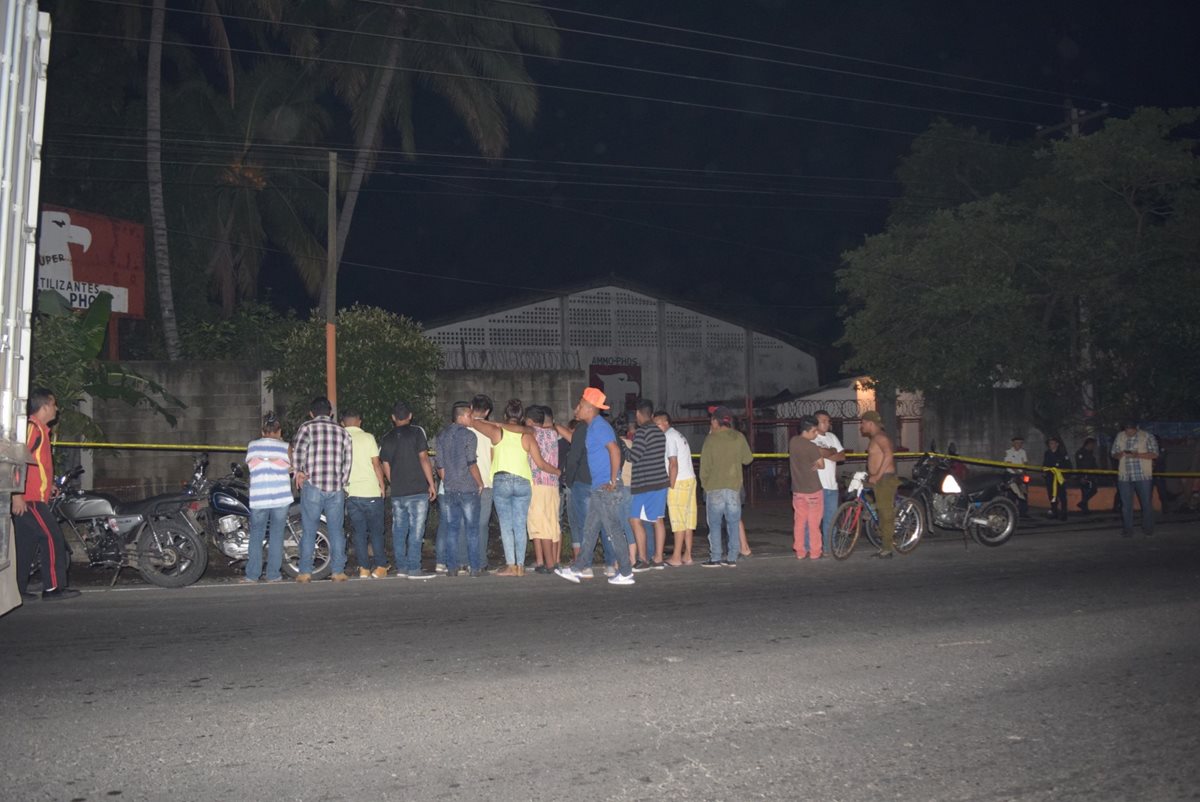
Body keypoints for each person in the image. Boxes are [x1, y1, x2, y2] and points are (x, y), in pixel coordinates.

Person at [555, 388, 635, 586]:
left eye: (580, 405)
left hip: (605, 488)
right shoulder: (592, 427)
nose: (577, 409)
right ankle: (577, 568)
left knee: (613, 530)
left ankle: (626, 572)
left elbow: (615, 450)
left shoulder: (599, 426)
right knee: (590, 531)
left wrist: (613, 480)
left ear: (590, 408)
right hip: (598, 488)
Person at [471, 399, 559, 576]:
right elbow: (540, 463)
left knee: (506, 525)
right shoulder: (527, 436)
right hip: (523, 482)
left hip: (502, 480)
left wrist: (494, 423)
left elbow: (475, 422)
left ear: (505, 415)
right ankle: (520, 566)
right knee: (520, 525)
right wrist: (557, 471)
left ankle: (511, 565)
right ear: (522, 417)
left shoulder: (497, 432)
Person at [11, 388, 79, 601]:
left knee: (25, 545)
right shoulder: (32, 429)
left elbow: (36, 465)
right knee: (52, 537)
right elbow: (17, 461)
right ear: (45, 406)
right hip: (29, 499)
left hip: (32, 496)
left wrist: (49, 487)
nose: (56, 409)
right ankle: (53, 588)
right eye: (54, 404)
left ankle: (17, 590)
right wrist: (17, 494)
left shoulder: (39, 430)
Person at [291, 396, 353, 582]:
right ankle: (338, 571)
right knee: (336, 530)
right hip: (336, 488)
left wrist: (298, 472)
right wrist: (341, 482)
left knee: (309, 530)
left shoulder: (307, 428)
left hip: (313, 485)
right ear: (331, 413)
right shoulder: (342, 432)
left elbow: (298, 452)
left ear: (311, 413)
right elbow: (348, 461)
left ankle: (305, 572)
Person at [378, 400, 438, 579]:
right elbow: (424, 458)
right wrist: (431, 483)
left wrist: (394, 481)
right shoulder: (417, 432)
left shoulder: (386, 437)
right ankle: (414, 568)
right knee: (416, 530)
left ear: (393, 417)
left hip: (398, 492)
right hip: (417, 489)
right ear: (410, 416)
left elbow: (385, 464)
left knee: (399, 530)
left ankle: (402, 568)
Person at [432, 401, 484, 576]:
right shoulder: (470, 436)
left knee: (452, 529)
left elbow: (439, 465)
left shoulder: (441, 436)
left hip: (450, 488)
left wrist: (448, 481)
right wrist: (480, 483)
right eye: (469, 415)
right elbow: (471, 463)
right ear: (461, 416)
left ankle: (452, 568)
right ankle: (474, 567)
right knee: (472, 530)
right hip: (468, 487)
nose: (472, 419)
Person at [698, 405, 753, 567]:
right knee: (733, 523)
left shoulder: (710, 439)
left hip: (714, 488)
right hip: (733, 488)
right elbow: (748, 459)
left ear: (716, 421)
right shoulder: (738, 437)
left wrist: (705, 486)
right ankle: (732, 558)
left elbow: (704, 467)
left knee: (714, 525)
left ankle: (715, 557)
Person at [244, 412, 292, 583]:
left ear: (262, 431)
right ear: (279, 431)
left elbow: (251, 466)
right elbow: (291, 467)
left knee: (256, 535)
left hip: (259, 498)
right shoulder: (286, 447)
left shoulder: (252, 446)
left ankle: (252, 575)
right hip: (281, 498)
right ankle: (273, 574)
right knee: (277, 535)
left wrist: (266, 459)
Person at [341, 408, 388, 578]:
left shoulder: (339, 438)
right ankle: (380, 566)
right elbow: (376, 464)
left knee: (359, 533)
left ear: (342, 423)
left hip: (351, 492)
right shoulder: (368, 437)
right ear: (359, 421)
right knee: (376, 532)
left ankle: (364, 568)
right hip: (371, 491)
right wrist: (382, 485)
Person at [628, 399, 669, 571]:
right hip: (660, 481)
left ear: (638, 414)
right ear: (651, 415)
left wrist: (623, 447)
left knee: (634, 519)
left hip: (644, 484)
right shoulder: (659, 432)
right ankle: (658, 558)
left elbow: (633, 457)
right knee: (658, 520)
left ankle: (643, 559)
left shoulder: (642, 432)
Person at [654, 410, 697, 566]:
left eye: (657, 424)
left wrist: (671, 486)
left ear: (666, 423)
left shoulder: (668, 437)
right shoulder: (678, 435)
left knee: (678, 521)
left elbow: (673, 463)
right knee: (688, 520)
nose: (655, 428)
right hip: (690, 479)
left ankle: (676, 557)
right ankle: (687, 555)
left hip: (679, 481)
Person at [525, 405, 562, 574]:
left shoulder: (531, 434)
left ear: (530, 421)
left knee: (541, 525)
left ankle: (549, 564)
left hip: (538, 484)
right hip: (552, 485)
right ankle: (551, 560)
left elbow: (540, 463)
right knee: (552, 523)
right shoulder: (553, 434)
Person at [1111, 420, 1159, 537]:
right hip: (1125, 476)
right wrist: (1120, 454)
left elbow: (1155, 454)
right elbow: (1113, 454)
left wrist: (1137, 455)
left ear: (1136, 428)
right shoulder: (1120, 436)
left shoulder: (1147, 436)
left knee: (1146, 503)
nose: (1128, 432)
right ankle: (1128, 530)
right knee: (1126, 505)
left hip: (1143, 476)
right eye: (1126, 430)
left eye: (1131, 430)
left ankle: (1148, 528)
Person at [860, 410, 898, 559]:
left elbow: (888, 455)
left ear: (871, 423)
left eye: (863, 423)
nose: (861, 426)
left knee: (885, 514)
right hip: (878, 479)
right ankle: (870, 509)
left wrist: (877, 475)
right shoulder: (876, 438)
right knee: (862, 492)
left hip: (884, 479)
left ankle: (887, 549)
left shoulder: (880, 437)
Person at [465, 394, 496, 572]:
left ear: (471, 407)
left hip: (467, 482)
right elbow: (493, 457)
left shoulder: (464, 428)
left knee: (466, 522)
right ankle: (480, 561)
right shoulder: (491, 430)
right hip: (486, 482)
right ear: (487, 411)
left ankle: (463, 560)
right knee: (482, 524)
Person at [789, 415, 825, 559]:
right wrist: (817, 464)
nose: (816, 434)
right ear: (808, 430)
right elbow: (821, 464)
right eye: (814, 431)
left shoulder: (793, 441)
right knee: (813, 524)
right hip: (813, 490)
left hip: (798, 490)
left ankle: (800, 551)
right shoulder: (811, 446)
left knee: (799, 522)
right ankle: (815, 552)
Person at [812, 410, 846, 557]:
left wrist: (825, 453)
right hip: (816, 486)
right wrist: (831, 452)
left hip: (832, 486)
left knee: (831, 519)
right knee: (814, 520)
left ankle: (829, 547)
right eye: (823, 421)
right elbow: (816, 452)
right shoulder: (811, 437)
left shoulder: (832, 437)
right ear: (816, 423)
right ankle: (812, 548)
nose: (827, 424)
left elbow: (842, 456)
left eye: (828, 421)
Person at [1042, 436, 1071, 521]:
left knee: (1062, 496)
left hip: (1060, 478)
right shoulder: (1047, 453)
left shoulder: (1062, 454)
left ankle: (1064, 513)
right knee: (1052, 495)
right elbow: (1045, 464)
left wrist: (1066, 477)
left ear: (1057, 444)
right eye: (1050, 443)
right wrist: (1044, 472)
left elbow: (1068, 466)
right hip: (1050, 477)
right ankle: (1054, 511)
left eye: (1053, 443)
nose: (1051, 445)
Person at [1004, 435, 1030, 517]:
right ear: (1013, 443)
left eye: (1021, 443)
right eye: (1017, 443)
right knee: (1012, 493)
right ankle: (1011, 512)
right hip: (1011, 475)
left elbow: (1025, 463)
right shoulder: (1008, 452)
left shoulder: (1023, 452)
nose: (1019, 444)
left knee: (1024, 493)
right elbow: (1008, 463)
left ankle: (1023, 512)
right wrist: (1017, 471)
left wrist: (1024, 473)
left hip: (1021, 475)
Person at [1074, 437, 1099, 513]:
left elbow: (1093, 464)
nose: (1093, 446)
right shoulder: (1081, 453)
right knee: (1086, 491)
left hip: (1090, 475)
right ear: (1088, 444)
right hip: (1084, 475)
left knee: (1091, 490)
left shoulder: (1090, 453)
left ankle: (1083, 505)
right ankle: (1084, 508)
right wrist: (1082, 476)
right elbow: (1080, 465)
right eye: (1092, 445)